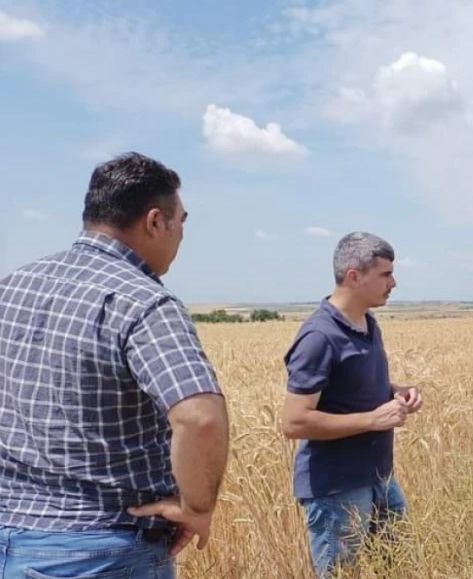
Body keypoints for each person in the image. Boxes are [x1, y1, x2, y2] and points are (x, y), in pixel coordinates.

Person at [0, 152, 229, 578]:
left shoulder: (11, 287)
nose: (181, 234)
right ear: (155, 221)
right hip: (103, 551)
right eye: (182, 221)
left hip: (11, 539)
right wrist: (197, 508)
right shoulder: (143, 302)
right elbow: (200, 419)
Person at [281, 231, 424, 579]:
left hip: (378, 477)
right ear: (354, 276)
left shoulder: (367, 323)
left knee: (399, 567)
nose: (394, 283)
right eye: (386, 274)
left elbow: (351, 387)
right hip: (337, 488)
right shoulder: (319, 337)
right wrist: (373, 420)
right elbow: (294, 422)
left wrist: (395, 391)